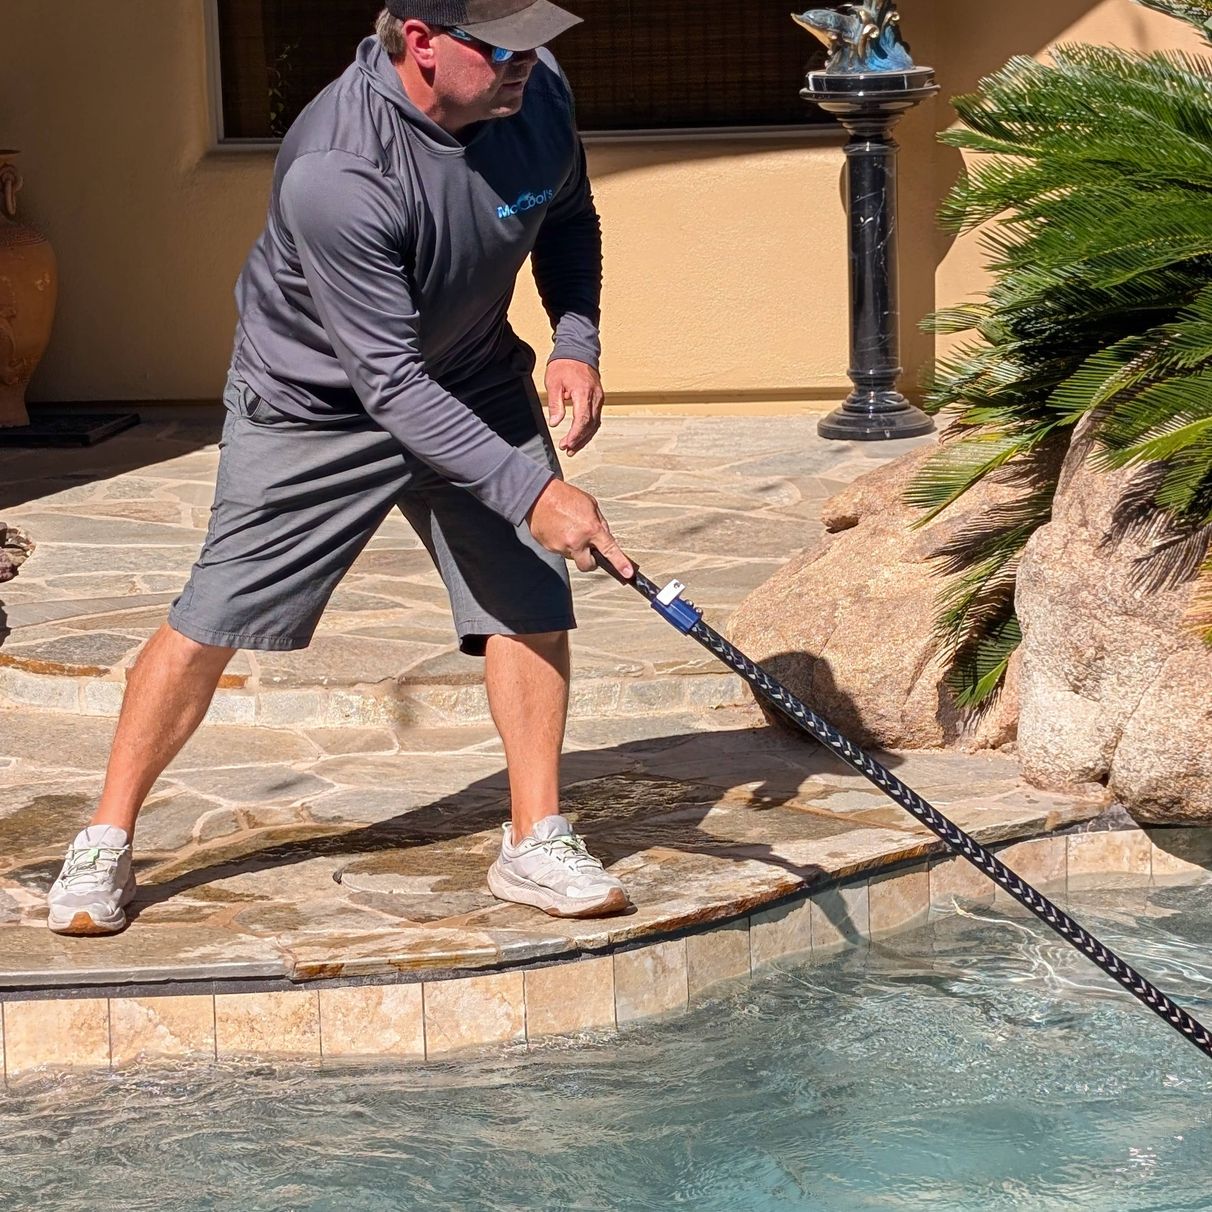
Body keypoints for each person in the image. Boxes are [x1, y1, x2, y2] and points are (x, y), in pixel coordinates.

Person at [46, 0, 637, 936]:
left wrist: (575, 339)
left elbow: (567, 216)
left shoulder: (537, 93)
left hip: (473, 373)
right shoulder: (338, 169)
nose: (530, 63)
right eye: (503, 47)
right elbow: (389, 384)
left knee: (529, 599)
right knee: (212, 618)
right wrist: (533, 489)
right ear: (420, 43)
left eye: (538, 42)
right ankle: (106, 840)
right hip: (315, 408)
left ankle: (535, 837)